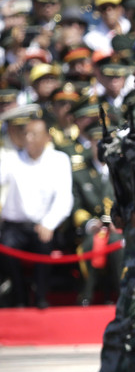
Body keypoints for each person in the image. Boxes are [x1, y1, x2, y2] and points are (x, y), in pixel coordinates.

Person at [0, 114, 74, 308]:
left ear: (47, 137)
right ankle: (19, 296)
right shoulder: (10, 159)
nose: (28, 139)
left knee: (44, 246)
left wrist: (49, 223)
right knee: (7, 248)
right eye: (26, 134)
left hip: (43, 224)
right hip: (14, 226)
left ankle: (41, 296)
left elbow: (64, 198)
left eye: (34, 134)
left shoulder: (59, 160)